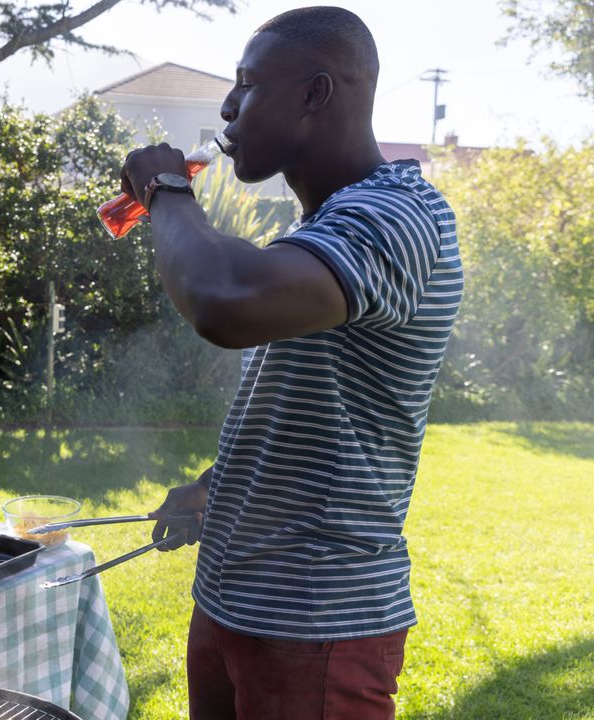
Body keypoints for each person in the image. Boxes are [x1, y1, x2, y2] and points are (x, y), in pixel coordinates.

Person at [121, 7, 463, 720]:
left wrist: (165, 190)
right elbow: (327, 407)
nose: (226, 108)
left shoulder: (397, 215)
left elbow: (224, 301)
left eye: (246, 85)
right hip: (237, 603)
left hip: (315, 620)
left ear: (315, 93)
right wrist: (225, 488)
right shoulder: (324, 228)